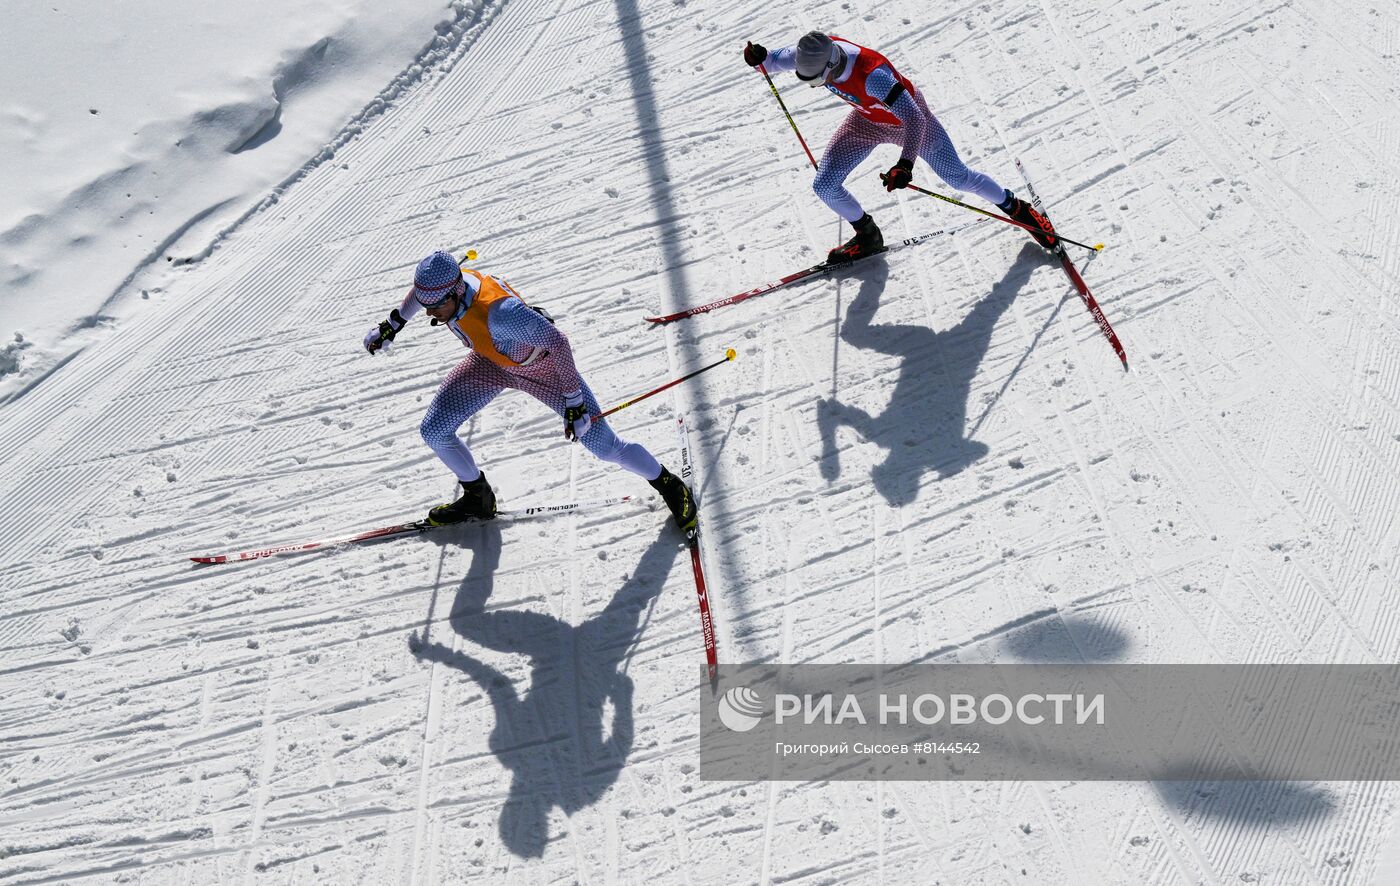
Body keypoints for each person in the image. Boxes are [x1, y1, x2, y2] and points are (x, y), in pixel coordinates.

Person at [363, 250, 697, 531]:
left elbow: (558, 342)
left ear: (454, 293)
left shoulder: (501, 315)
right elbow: (419, 296)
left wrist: (574, 402)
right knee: (434, 430)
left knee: (604, 446)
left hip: (544, 372)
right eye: (427, 307)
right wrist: (392, 324)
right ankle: (478, 498)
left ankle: (668, 484)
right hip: (490, 364)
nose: (431, 315)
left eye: (435, 308)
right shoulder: (448, 284)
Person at [743, 32, 1058, 263]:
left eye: (815, 82)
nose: (815, 86)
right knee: (824, 185)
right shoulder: (816, 53)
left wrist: (905, 164)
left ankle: (1017, 209)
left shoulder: (873, 76)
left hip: (911, 124)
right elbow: (772, 62)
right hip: (865, 122)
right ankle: (867, 235)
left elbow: (915, 120)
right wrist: (760, 58)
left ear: (831, 65)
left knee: (959, 178)